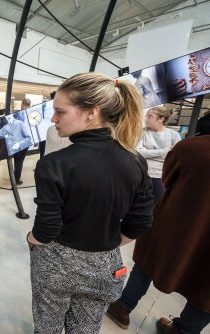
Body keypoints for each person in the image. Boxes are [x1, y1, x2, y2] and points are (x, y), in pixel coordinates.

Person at [27, 72, 154, 334]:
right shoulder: (136, 161)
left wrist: (31, 238)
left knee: (47, 327)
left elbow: (46, 229)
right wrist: (105, 244)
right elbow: (140, 221)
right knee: (86, 328)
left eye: (60, 111)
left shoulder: (53, 165)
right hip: (106, 266)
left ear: (90, 113)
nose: (53, 119)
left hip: (56, 267)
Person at [107, 118, 210, 334]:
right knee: (205, 288)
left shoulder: (191, 148)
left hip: (176, 222)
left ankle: (123, 308)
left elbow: (168, 178)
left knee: (146, 263)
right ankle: (183, 331)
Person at [137, 106, 181, 200]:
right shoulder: (142, 132)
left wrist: (147, 152)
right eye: (146, 116)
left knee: (158, 205)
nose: (146, 119)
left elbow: (175, 157)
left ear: (161, 119)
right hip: (142, 174)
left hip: (161, 176)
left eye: (150, 116)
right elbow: (138, 153)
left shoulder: (174, 135)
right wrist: (163, 151)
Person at [12, 98, 31, 185]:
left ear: (22, 104)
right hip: (25, 142)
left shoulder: (16, 114)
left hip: (16, 140)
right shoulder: (30, 114)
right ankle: (16, 180)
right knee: (20, 161)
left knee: (16, 160)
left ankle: (14, 178)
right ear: (29, 105)